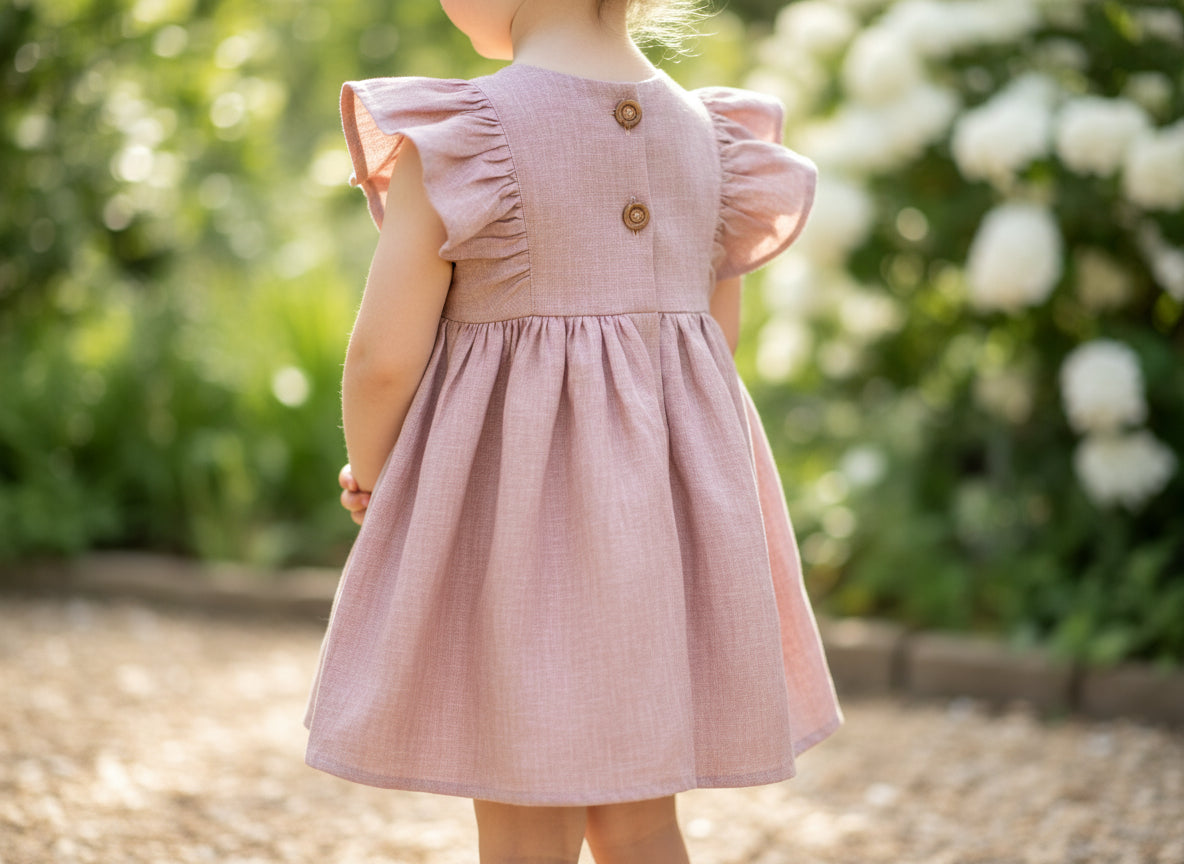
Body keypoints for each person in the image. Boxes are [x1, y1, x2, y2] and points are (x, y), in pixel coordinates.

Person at [303, 1, 844, 861]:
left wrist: (378, 475)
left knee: (525, 811)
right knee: (640, 815)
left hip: (514, 536)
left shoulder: (466, 134)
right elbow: (712, 346)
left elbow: (380, 360)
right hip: (665, 535)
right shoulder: (713, 137)